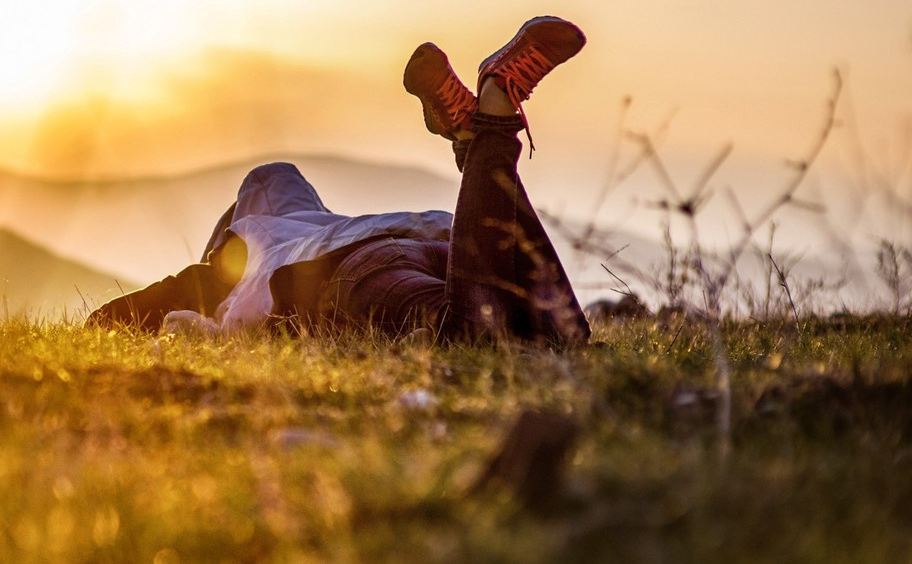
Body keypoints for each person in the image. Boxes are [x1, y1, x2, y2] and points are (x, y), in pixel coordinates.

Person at [87, 17, 590, 346]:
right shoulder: (313, 227)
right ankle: (473, 134)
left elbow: (100, 326)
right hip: (443, 237)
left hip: (362, 267)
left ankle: (493, 116)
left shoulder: (224, 271)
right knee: (558, 335)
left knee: (472, 337)